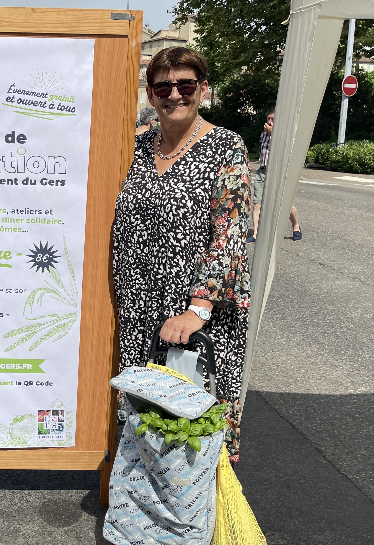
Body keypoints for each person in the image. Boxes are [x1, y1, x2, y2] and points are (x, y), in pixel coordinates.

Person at [113, 47, 251, 462]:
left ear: (203, 89)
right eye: (163, 87)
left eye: (185, 85)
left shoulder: (225, 146)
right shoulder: (135, 148)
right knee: (145, 423)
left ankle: (196, 500)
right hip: (138, 308)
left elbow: (229, 235)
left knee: (190, 430)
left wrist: (198, 310)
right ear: (151, 95)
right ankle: (141, 497)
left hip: (190, 311)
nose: (174, 95)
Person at [247, 107, 302, 242]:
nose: (270, 122)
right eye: (268, 119)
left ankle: (296, 226)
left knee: (285, 204)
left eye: (273, 119)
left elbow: (283, 150)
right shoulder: (264, 134)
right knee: (257, 204)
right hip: (262, 171)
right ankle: (256, 233)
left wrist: (273, 134)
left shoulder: (285, 135)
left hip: (278, 173)